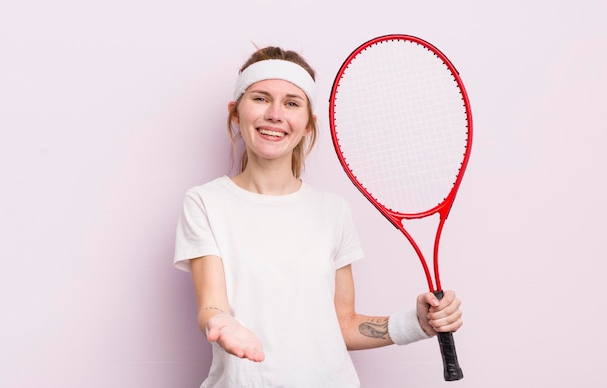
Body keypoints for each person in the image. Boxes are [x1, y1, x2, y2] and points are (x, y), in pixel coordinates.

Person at [174, 46, 463, 387]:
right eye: (261, 98)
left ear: (308, 124)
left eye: (292, 103)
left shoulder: (334, 211)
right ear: (235, 113)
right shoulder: (205, 203)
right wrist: (222, 324)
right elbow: (212, 307)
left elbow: (343, 324)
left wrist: (418, 324)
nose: (275, 114)